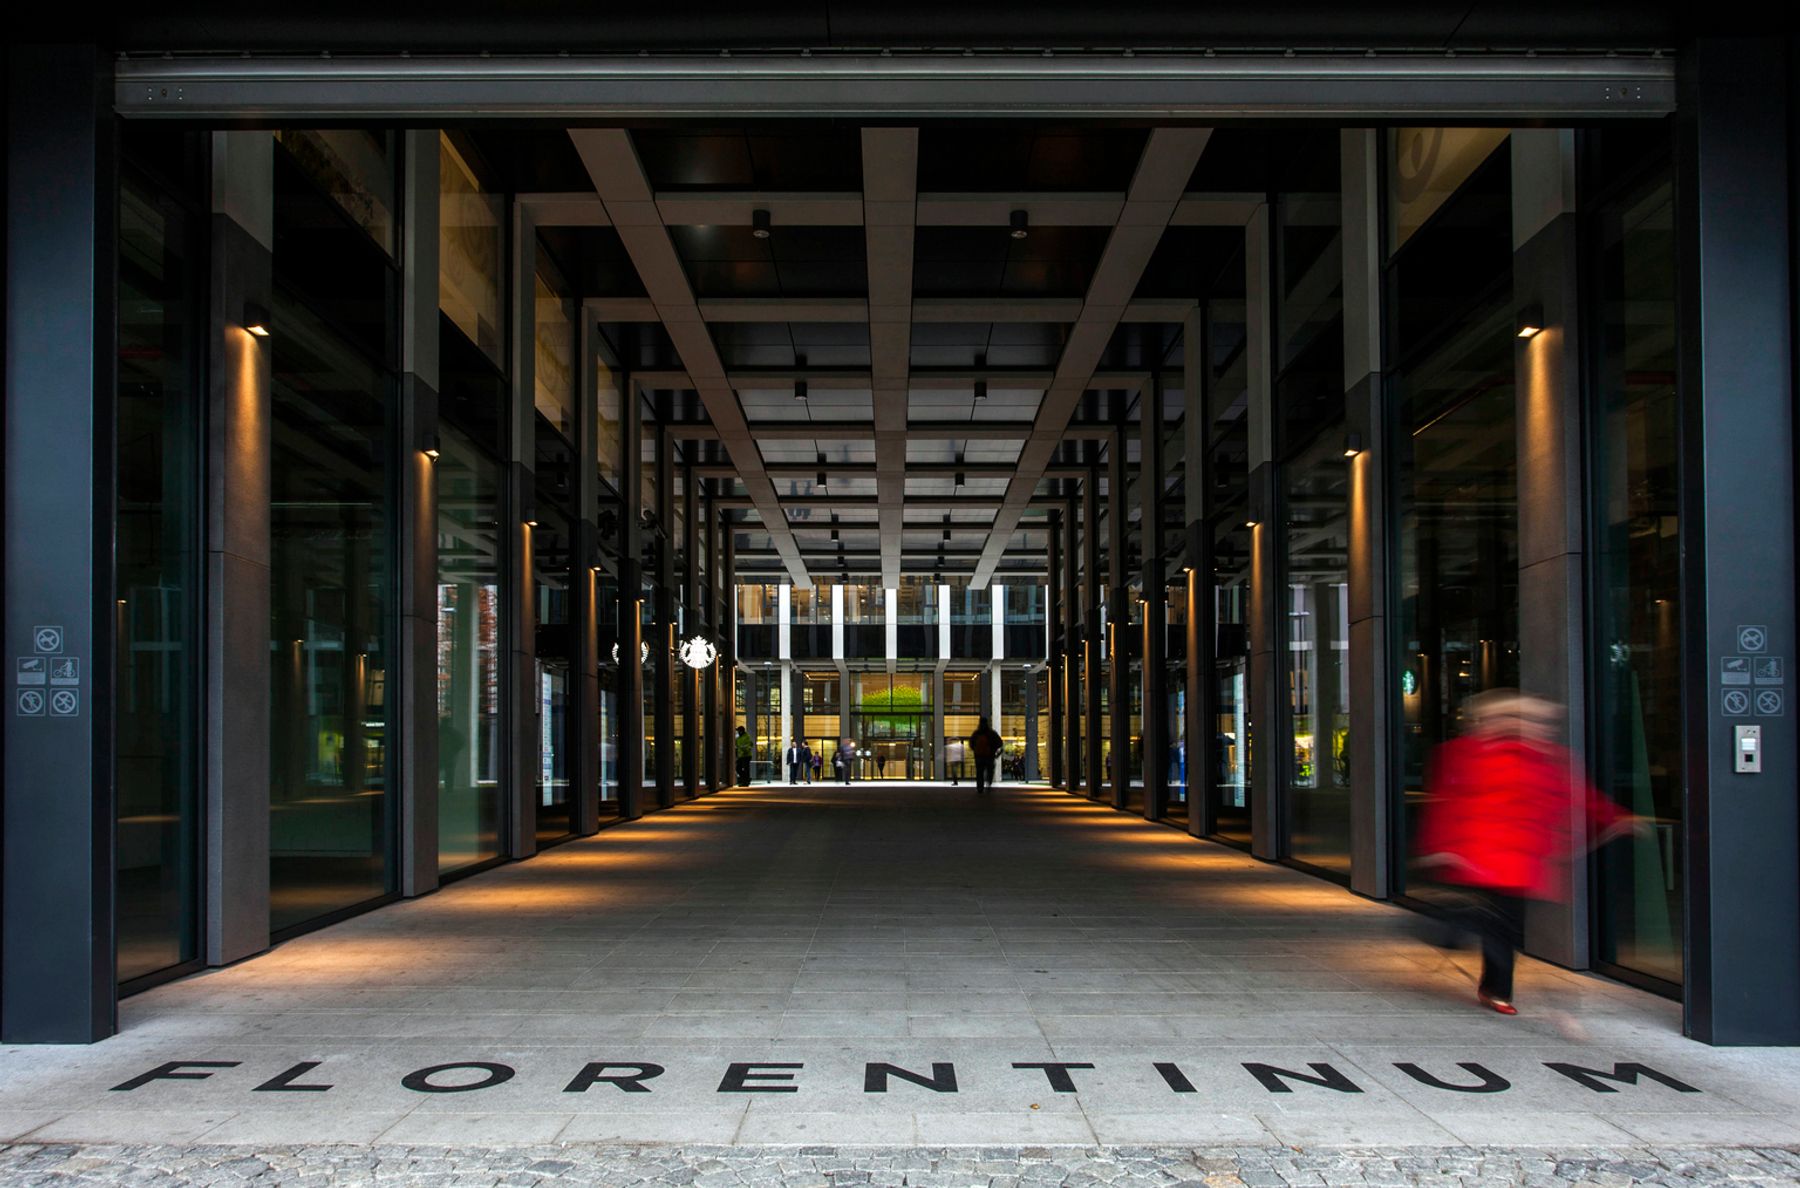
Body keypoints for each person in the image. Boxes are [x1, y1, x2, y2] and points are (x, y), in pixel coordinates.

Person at [1415, 690, 1642, 1016]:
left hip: (1521, 857)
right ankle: (1491, 984)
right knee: (1490, 923)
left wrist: (1615, 817)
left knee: (1505, 927)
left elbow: (1580, 796)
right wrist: (1439, 848)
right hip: (1476, 853)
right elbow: (1447, 805)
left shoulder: (1551, 759)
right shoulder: (1465, 753)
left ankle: (1493, 986)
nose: (1536, 727)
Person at [967, 716, 1003, 795]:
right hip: (989, 756)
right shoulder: (991, 733)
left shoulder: (976, 733)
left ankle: (980, 787)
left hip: (979, 756)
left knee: (979, 772)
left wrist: (975, 750)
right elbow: (1000, 743)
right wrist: (993, 749)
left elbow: (971, 743)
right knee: (989, 771)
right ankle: (989, 784)